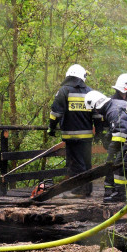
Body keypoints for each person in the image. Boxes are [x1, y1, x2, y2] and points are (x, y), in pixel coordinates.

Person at [84, 91, 127, 203]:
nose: (96, 112)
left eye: (95, 109)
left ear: (97, 105)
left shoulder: (113, 110)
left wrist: (111, 155)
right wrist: (109, 137)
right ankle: (120, 194)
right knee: (118, 164)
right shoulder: (113, 105)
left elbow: (120, 134)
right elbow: (118, 127)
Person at [47, 64, 103, 198]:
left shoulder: (64, 91)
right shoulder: (89, 92)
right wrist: (99, 133)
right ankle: (87, 189)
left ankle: (79, 191)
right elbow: (97, 115)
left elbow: (55, 113)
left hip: (71, 136)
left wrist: (51, 128)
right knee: (86, 163)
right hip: (87, 137)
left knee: (75, 164)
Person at [102, 73, 127, 197]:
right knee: (112, 161)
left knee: (126, 162)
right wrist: (107, 137)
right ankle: (109, 187)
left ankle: (124, 188)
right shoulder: (111, 100)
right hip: (116, 135)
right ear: (125, 87)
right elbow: (106, 120)